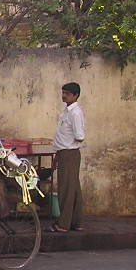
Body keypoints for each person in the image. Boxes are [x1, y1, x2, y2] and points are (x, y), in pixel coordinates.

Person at [51, 81, 85, 233]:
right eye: (63, 93)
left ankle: (63, 224)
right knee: (74, 189)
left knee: (66, 189)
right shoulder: (67, 111)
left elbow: (79, 136)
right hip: (64, 152)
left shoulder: (75, 113)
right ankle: (76, 222)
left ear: (75, 95)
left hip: (70, 153)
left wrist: (66, 145)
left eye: (67, 93)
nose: (64, 96)